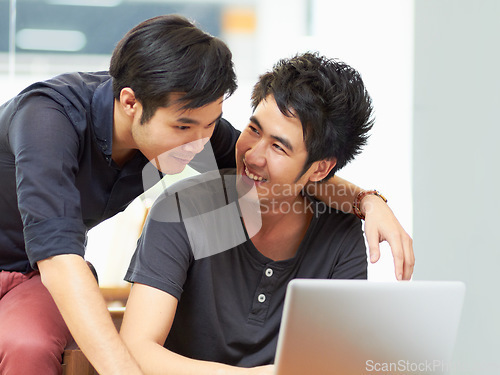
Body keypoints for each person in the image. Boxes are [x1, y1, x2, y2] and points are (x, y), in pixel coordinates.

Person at [0, 15, 412, 375]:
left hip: (27, 276)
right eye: (185, 127)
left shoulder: (188, 129)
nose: (202, 143)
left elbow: (287, 171)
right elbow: (59, 258)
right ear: (130, 103)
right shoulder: (47, 120)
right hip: (45, 263)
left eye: (210, 124)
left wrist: (367, 202)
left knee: (29, 346)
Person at [120, 52, 400, 374]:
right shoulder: (180, 210)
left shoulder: (340, 235)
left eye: (279, 147)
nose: (253, 156)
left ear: (320, 168)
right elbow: (136, 350)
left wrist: (369, 200)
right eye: (253, 130)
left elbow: (337, 362)